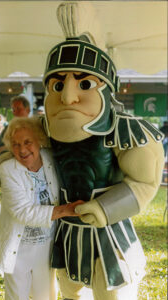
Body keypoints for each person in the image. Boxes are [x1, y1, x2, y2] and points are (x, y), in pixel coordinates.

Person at [40, 3, 165, 300]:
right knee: (69, 291)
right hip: (65, 231)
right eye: (57, 85)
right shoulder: (41, 129)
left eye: (84, 82)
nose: (68, 96)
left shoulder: (126, 132)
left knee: (111, 291)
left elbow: (146, 182)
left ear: (107, 91)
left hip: (110, 235)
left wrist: (105, 208)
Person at [0, 116, 82, 300]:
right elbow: (23, 212)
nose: (22, 149)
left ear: (39, 141)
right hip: (18, 247)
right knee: (17, 296)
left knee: (46, 296)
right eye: (15, 144)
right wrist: (67, 210)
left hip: (46, 247)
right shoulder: (8, 169)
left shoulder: (50, 157)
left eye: (27, 142)